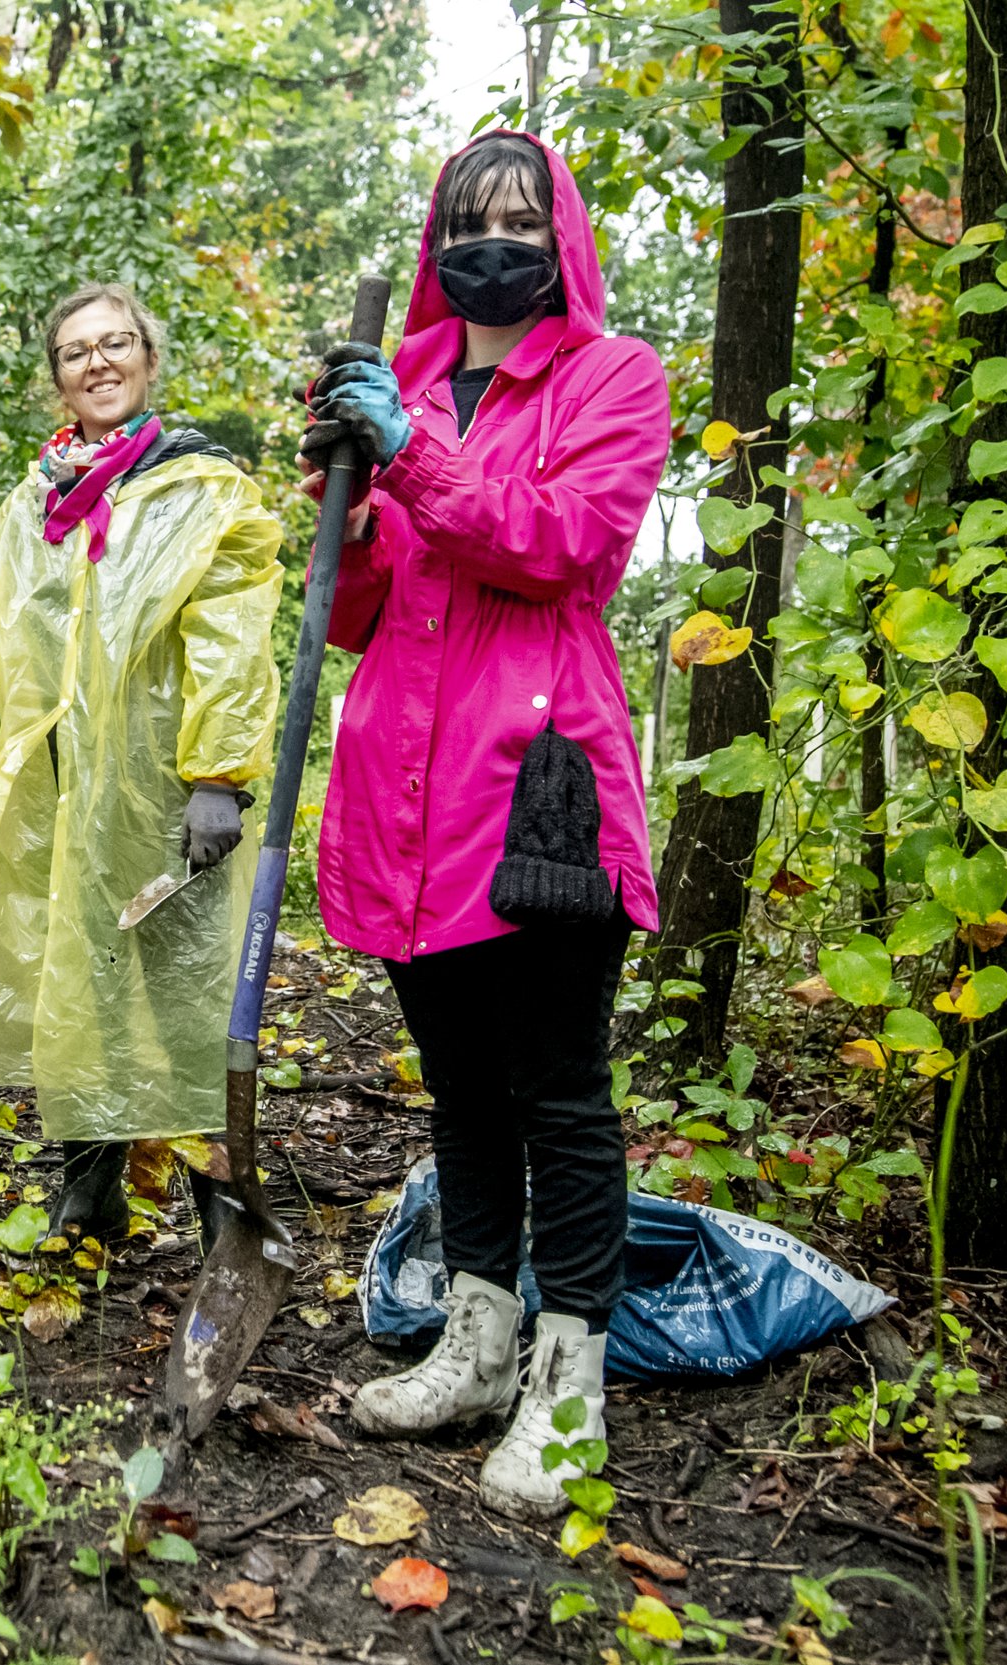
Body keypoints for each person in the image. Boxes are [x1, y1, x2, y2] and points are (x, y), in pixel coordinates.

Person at [303, 131, 668, 1519]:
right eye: (470, 219)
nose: (492, 240)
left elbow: (568, 540)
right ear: (435, 239)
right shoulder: (397, 381)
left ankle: (568, 1394)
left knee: (557, 1088)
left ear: (559, 234)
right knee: (459, 1083)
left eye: (520, 218)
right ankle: (476, 1339)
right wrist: (338, 500)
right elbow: (357, 619)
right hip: (405, 784)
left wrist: (418, 462)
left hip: (540, 782)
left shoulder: (609, 375)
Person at [0, 282, 283, 1245]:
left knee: (193, 988)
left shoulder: (203, 489)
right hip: (57, 796)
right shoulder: (28, 507)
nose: (98, 362)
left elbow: (233, 637)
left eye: (117, 342)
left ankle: (224, 1202)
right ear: (57, 378)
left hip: (164, 791)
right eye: (77, 350)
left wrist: (219, 775)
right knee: (76, 980)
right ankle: (89, 1188)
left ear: (148, 358)